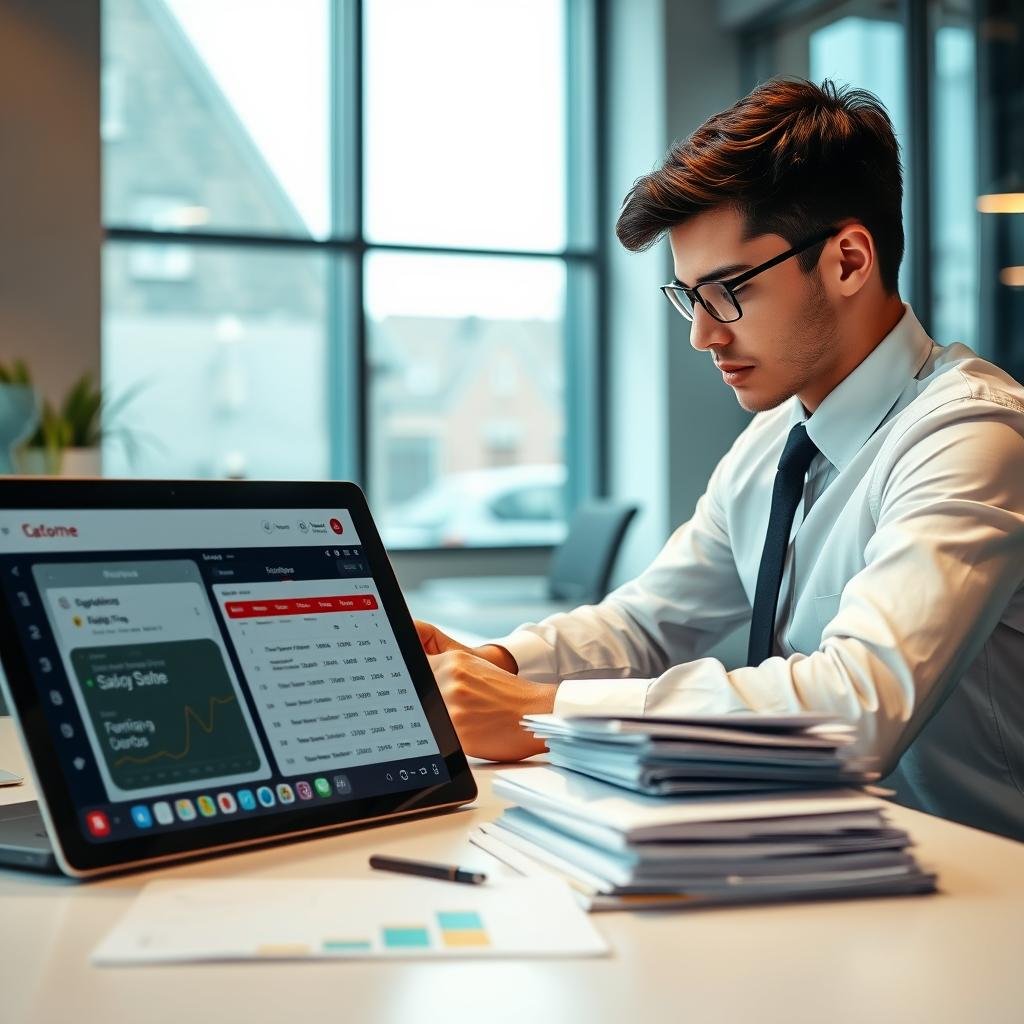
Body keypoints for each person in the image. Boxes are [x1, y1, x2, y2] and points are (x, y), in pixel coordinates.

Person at [417, 78, 1024, 841]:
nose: (704, 335)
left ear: (847, 260)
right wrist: (498, 663)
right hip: (830, 866)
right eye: (689, 297)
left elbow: (859, 704)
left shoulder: (971, 434)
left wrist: (546, 711)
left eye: (728, 291)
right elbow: (648, 624)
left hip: (986, 898)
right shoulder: (777, 439)